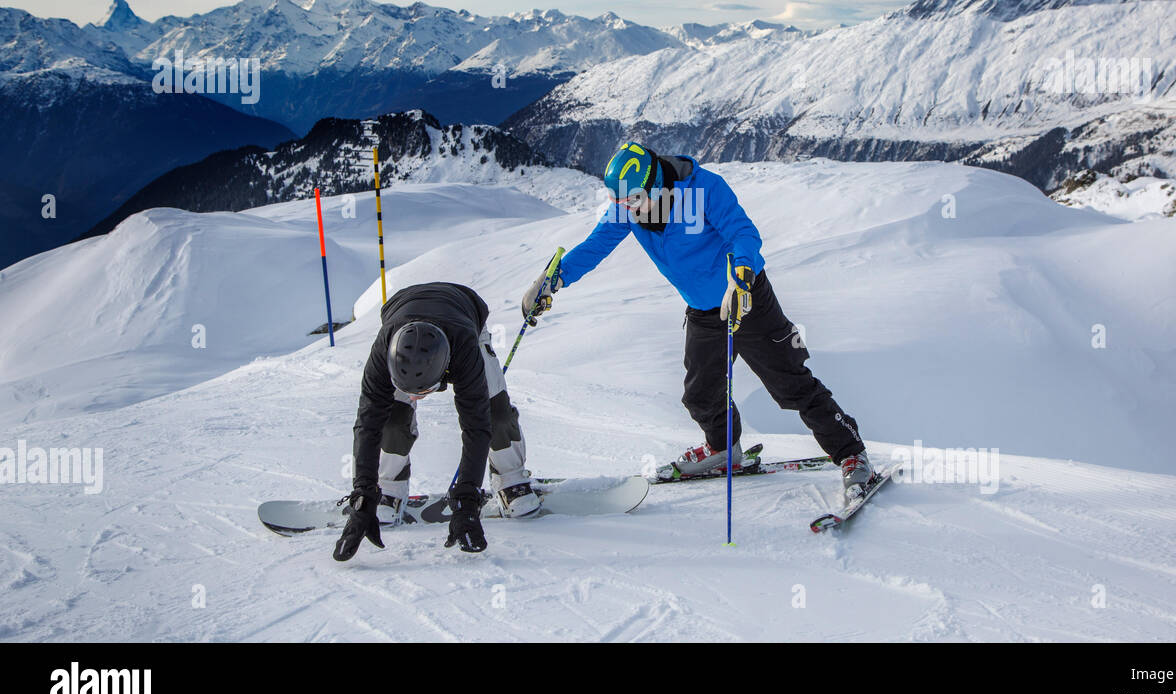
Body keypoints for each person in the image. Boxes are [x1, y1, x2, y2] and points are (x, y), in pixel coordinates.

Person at [520, 141, 874, 496]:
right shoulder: (629, 206)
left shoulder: (705, 189)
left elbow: (743, 233)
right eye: (621, 203)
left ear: (655, 186)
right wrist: (554, 279)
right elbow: (596, 246)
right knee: (701, 394)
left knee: (790, 384)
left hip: (745, 300)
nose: (626, 210)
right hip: (704, 312)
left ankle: (851, 453)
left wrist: (741, 276)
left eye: (632, 201)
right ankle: (724, 451)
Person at [333, 282, 537, 561]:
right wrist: (363, 496)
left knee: (495, 412)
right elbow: (367, 425)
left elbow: (476, 427)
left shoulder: (465, 352)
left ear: (446, 373)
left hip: (465, 317)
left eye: (423, 392)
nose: (416, 398)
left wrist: (467, 501)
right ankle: (388, 486)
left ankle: (510, 479)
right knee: (392, 419)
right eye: (408, 391)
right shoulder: (384, 352)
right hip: (401, 314)